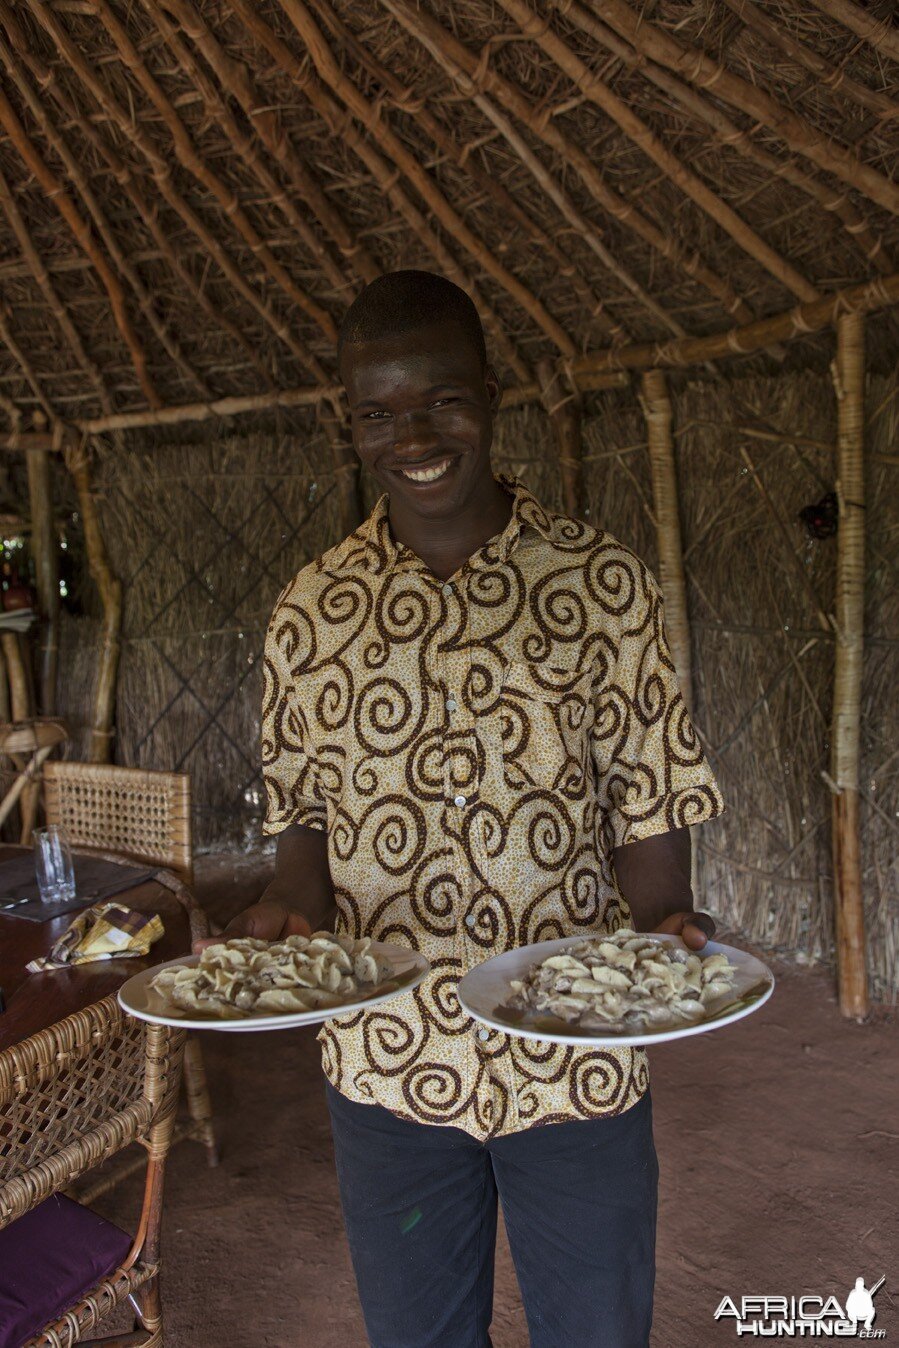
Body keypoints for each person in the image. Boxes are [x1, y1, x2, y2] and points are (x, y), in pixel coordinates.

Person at [204, 271, 725, 1347]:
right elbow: (301, 817)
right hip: (387, 1066)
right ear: (349, 423)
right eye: (379, 411)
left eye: (440, 399)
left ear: (490, 394)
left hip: (571, 1058)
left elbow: (648, 792)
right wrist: (283, 912)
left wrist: (658, 927)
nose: (414, 434)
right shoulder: (310, 612)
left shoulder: (601, 586)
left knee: (596, 1330)